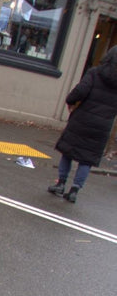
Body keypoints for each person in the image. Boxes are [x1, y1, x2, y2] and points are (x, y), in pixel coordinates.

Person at [48, 45, 117, 204]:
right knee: (87, 158)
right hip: (102, 126)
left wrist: (70, 101)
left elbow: (80, 91)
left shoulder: (95, 73)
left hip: (83, 119)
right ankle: (75, 190)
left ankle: (61, 182)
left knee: (68, 151)